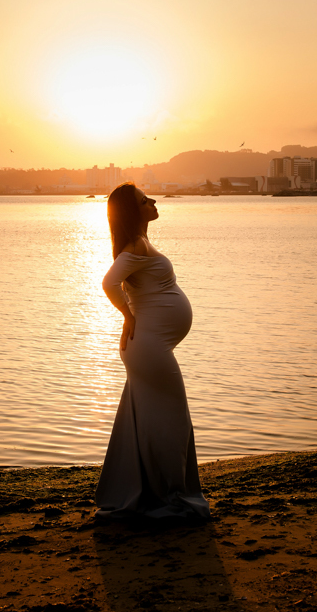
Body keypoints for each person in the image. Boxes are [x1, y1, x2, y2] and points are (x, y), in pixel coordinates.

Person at [95, 182, 210, 519]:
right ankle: (171, 497)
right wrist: (127, 315)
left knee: (146, 423)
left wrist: (132, 314)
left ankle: (151, 491)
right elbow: (108, 283)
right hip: (148, 349)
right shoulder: (134, 248)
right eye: (145, 200)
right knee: (170, 421)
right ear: (134, 212)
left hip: (149, 347)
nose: (153, 201)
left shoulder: (141, 244)